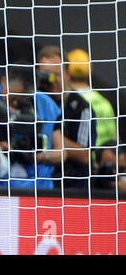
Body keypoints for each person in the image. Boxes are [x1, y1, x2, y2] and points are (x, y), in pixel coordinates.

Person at [37, 46, 98, 191]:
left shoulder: (81, 107)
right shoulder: (33, 101)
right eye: (46, 75)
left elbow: (85, 155)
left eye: (55, 75)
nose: (51, 81)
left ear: (68, 74)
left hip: (70, 187)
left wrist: (50, 134)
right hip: (37, 183)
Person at [66, 48, 116, 147]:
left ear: (67, 72)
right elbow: (114, 137)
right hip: (105, 159)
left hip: (84, 159)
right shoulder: (104, 102)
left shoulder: (70, 102)